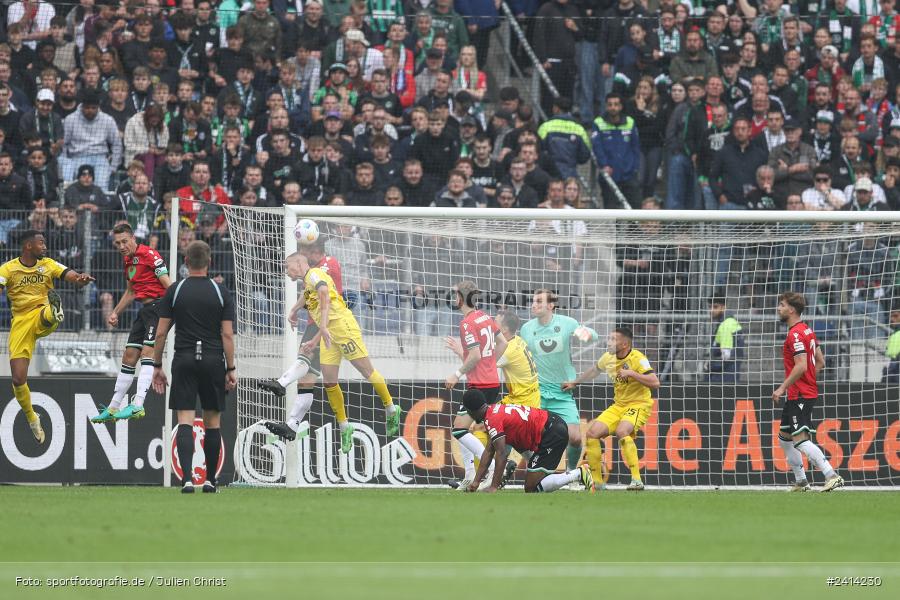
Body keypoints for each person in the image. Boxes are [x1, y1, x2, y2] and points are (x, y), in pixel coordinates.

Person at [265, 251, 400, 453]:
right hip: (328, 333)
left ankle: (391, 408)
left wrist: (319, 333)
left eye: (287, 266)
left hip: (343, 328)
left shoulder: (314, 275)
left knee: (366, 372)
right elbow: (308, 294)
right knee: (329, 381)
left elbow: (323, 293)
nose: (286, 271)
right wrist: (294, 310)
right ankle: (345, 427)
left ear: (299, 263)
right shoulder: (307, 281)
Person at [151, 241, 237, 494]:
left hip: (184, 359)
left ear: (186, 262)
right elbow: (228, 335)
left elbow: (161, 333)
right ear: (209, 262)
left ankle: (187, 480)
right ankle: (210, 481)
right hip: (212, 360)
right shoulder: (220, 291)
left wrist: (157, 364)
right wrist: (230, 368)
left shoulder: (175, 290)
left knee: (185, 420)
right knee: (212, 422)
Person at [0, 229, 94, 444]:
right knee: (18, 378)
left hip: (41, 313)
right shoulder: (8, 268)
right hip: (21, 322)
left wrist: (80, 278)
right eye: (41, 243)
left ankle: (54, 311)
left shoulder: (49, 264)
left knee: (47, 315)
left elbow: (70, 274)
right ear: (28, 246)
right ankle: (33, 418)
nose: (45, 247)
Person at [446, 310, 540, 487]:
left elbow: (481, 365)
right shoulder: (517, 341)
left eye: (494, 323)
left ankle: (487, 475)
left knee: (480, 428)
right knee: (518, 445)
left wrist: (461, 351)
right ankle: (484, 475)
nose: (490, 325)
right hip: (526, 399)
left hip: (521, 403)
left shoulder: (508, 350)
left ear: (503, 329)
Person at [91, 223, 171, 423]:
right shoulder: (128, 261)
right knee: (128, 355)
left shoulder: (151, 255)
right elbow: (131, 291)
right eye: (117, 243)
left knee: (147, 353)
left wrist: (178, 309)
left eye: (124, 241)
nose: (121, 246)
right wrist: (115, 312)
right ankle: (112, 408)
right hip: (144, 311)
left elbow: (168, 285)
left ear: (133, 238)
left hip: (159, 308)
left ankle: (137, 405)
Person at [564, 327, 659, 491]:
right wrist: (574, 383)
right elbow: (594, 370)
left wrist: (631, 373)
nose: (608, 342)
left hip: (638, 404)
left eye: (613, 339)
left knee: (623, 431)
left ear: (624, 343)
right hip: (618, 405)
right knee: (592, 433)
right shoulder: (608, 358)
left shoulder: (638, 358)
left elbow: (655, 382)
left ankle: (636, 480)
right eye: (609, 338)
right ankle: (598, 483)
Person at [520, 288, 599, 482]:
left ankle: (571, 473)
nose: (534, 305)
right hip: (536, 392)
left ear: (551, 305)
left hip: (561, 393)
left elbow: (594, 336)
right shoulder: (526, 328)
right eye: (533, 301)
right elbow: (522, 359)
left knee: (575, 438)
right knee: (519, 435)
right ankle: (533, 466)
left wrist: (585, 333)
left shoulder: (566, 323)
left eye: (539, 301)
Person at [772, 291, 844, 492]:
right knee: (784, 438)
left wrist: (782, 387)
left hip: (800, 394)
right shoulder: (807, 330)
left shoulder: (795, 334)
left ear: (791, 309)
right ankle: (801, 481)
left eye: (782, 304)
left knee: (800, 440)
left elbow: (802, 365)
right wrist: (809, 380)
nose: (779, 308)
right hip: (803, 391)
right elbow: (819, 361)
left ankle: (832, 475)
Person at [461, 389, 593, 493]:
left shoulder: (492, 419)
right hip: (552, 425)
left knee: (531, 487)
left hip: (552, 433)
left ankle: (579, 473)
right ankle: (569, 474)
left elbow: (501, 454)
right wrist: (476, 482)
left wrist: (494, 487)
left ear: (472, 411)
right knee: (536, 480)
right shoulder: (493, 411)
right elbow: (489, 451)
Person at [443, 279, 507, 489]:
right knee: (464, 429)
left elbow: (475, 356)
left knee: (459, 430)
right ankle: (470, 476)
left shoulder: (467, 323)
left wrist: (456, 374)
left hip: (478, 385)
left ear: (460, 298)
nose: (454, 299)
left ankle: (496, 467)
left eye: (455, 295)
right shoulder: (486, 317)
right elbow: (503, 343)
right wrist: (491, 364)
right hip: (492, 382)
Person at [591, 92, 641, 209]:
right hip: (609, 174)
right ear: (606, 106)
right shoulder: (598, 122)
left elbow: (635, 147)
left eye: (616, 104)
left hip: (629, 174)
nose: (613, 107)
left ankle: (632, 228)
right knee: (611, 209)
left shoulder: (630, 122)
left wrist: (634, 168)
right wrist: (604, 165)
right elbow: (597, 146)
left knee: (635, 208)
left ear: (621, 106)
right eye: (610, 105)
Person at [707, 294, 743, 383]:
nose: (711, 310)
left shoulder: (725, 325)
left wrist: (709, 365)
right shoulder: (730, 322)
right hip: (730, 374)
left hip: (723, 377)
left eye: (715, 307)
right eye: (709, 307)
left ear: (723, 307)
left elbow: (726, 356)